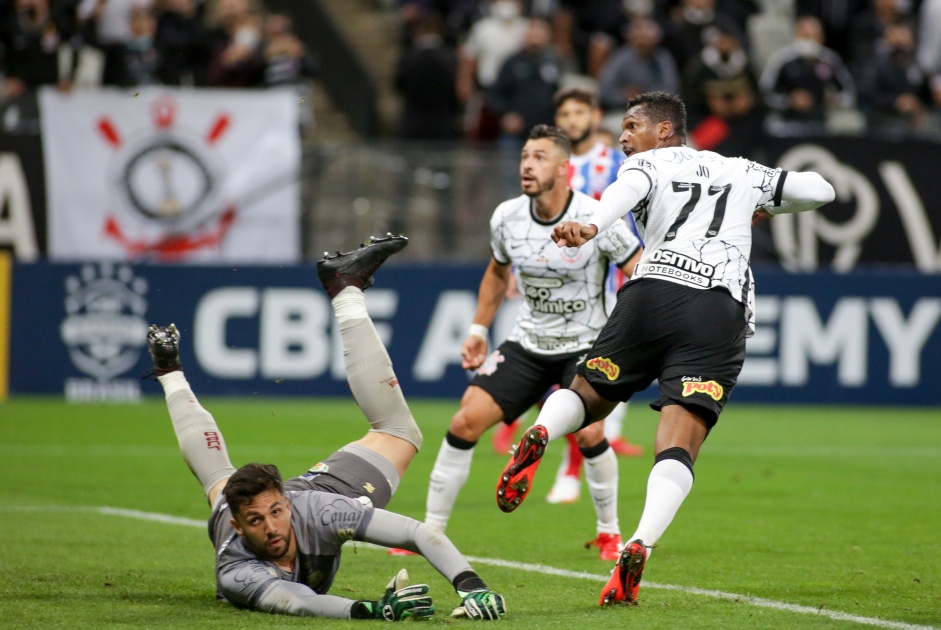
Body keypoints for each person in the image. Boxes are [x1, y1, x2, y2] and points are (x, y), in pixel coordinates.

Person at [494, 91, 835, 605]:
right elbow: (821, 189)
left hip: (651, 292)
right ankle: (640, 543)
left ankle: (543, 428)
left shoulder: (646, 165)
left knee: (588, 394)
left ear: (665, 131)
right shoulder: (740, 169)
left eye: (632, 126)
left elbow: (620, 197)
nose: (623, 136)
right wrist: (763, 203)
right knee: (681, 438)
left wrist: (590, 226)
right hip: (718, 307)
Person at [145, 235, 507, 621]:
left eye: (274, 512)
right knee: (219, 483)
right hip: (277, 509)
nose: (270, 528)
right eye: (254, 520)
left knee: (397, 433)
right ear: (238, 526)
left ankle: (343, 290)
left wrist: (473, 587)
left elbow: (416, 533)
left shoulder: (319, 511)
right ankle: (171, 372)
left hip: (315, 494)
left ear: (285, 501)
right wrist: (373, 610)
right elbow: (297, 600)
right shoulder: (236, 572)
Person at [415, 124, 643, 562]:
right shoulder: (506, 216)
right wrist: (478, 330)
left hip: (583, 346)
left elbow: (638, 269)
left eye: (538, 157)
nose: (526, 165)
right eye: (523, 156)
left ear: (563, 168)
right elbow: (498, 273)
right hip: (528, 342)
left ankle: (609, 533)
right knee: (465, 421)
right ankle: (430, 533)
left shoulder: (597, 217)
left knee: (592, 431)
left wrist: (630, 334)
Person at [526, 87, 647, 509]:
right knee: (557, 369)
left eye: (580, 112)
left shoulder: (618, 162)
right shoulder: (552, 166)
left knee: (593, 375)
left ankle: (571, 467)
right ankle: (546, 442)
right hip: (559, 283)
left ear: (594, 116)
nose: (573, 119)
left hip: (613, 279)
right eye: (566, 113)